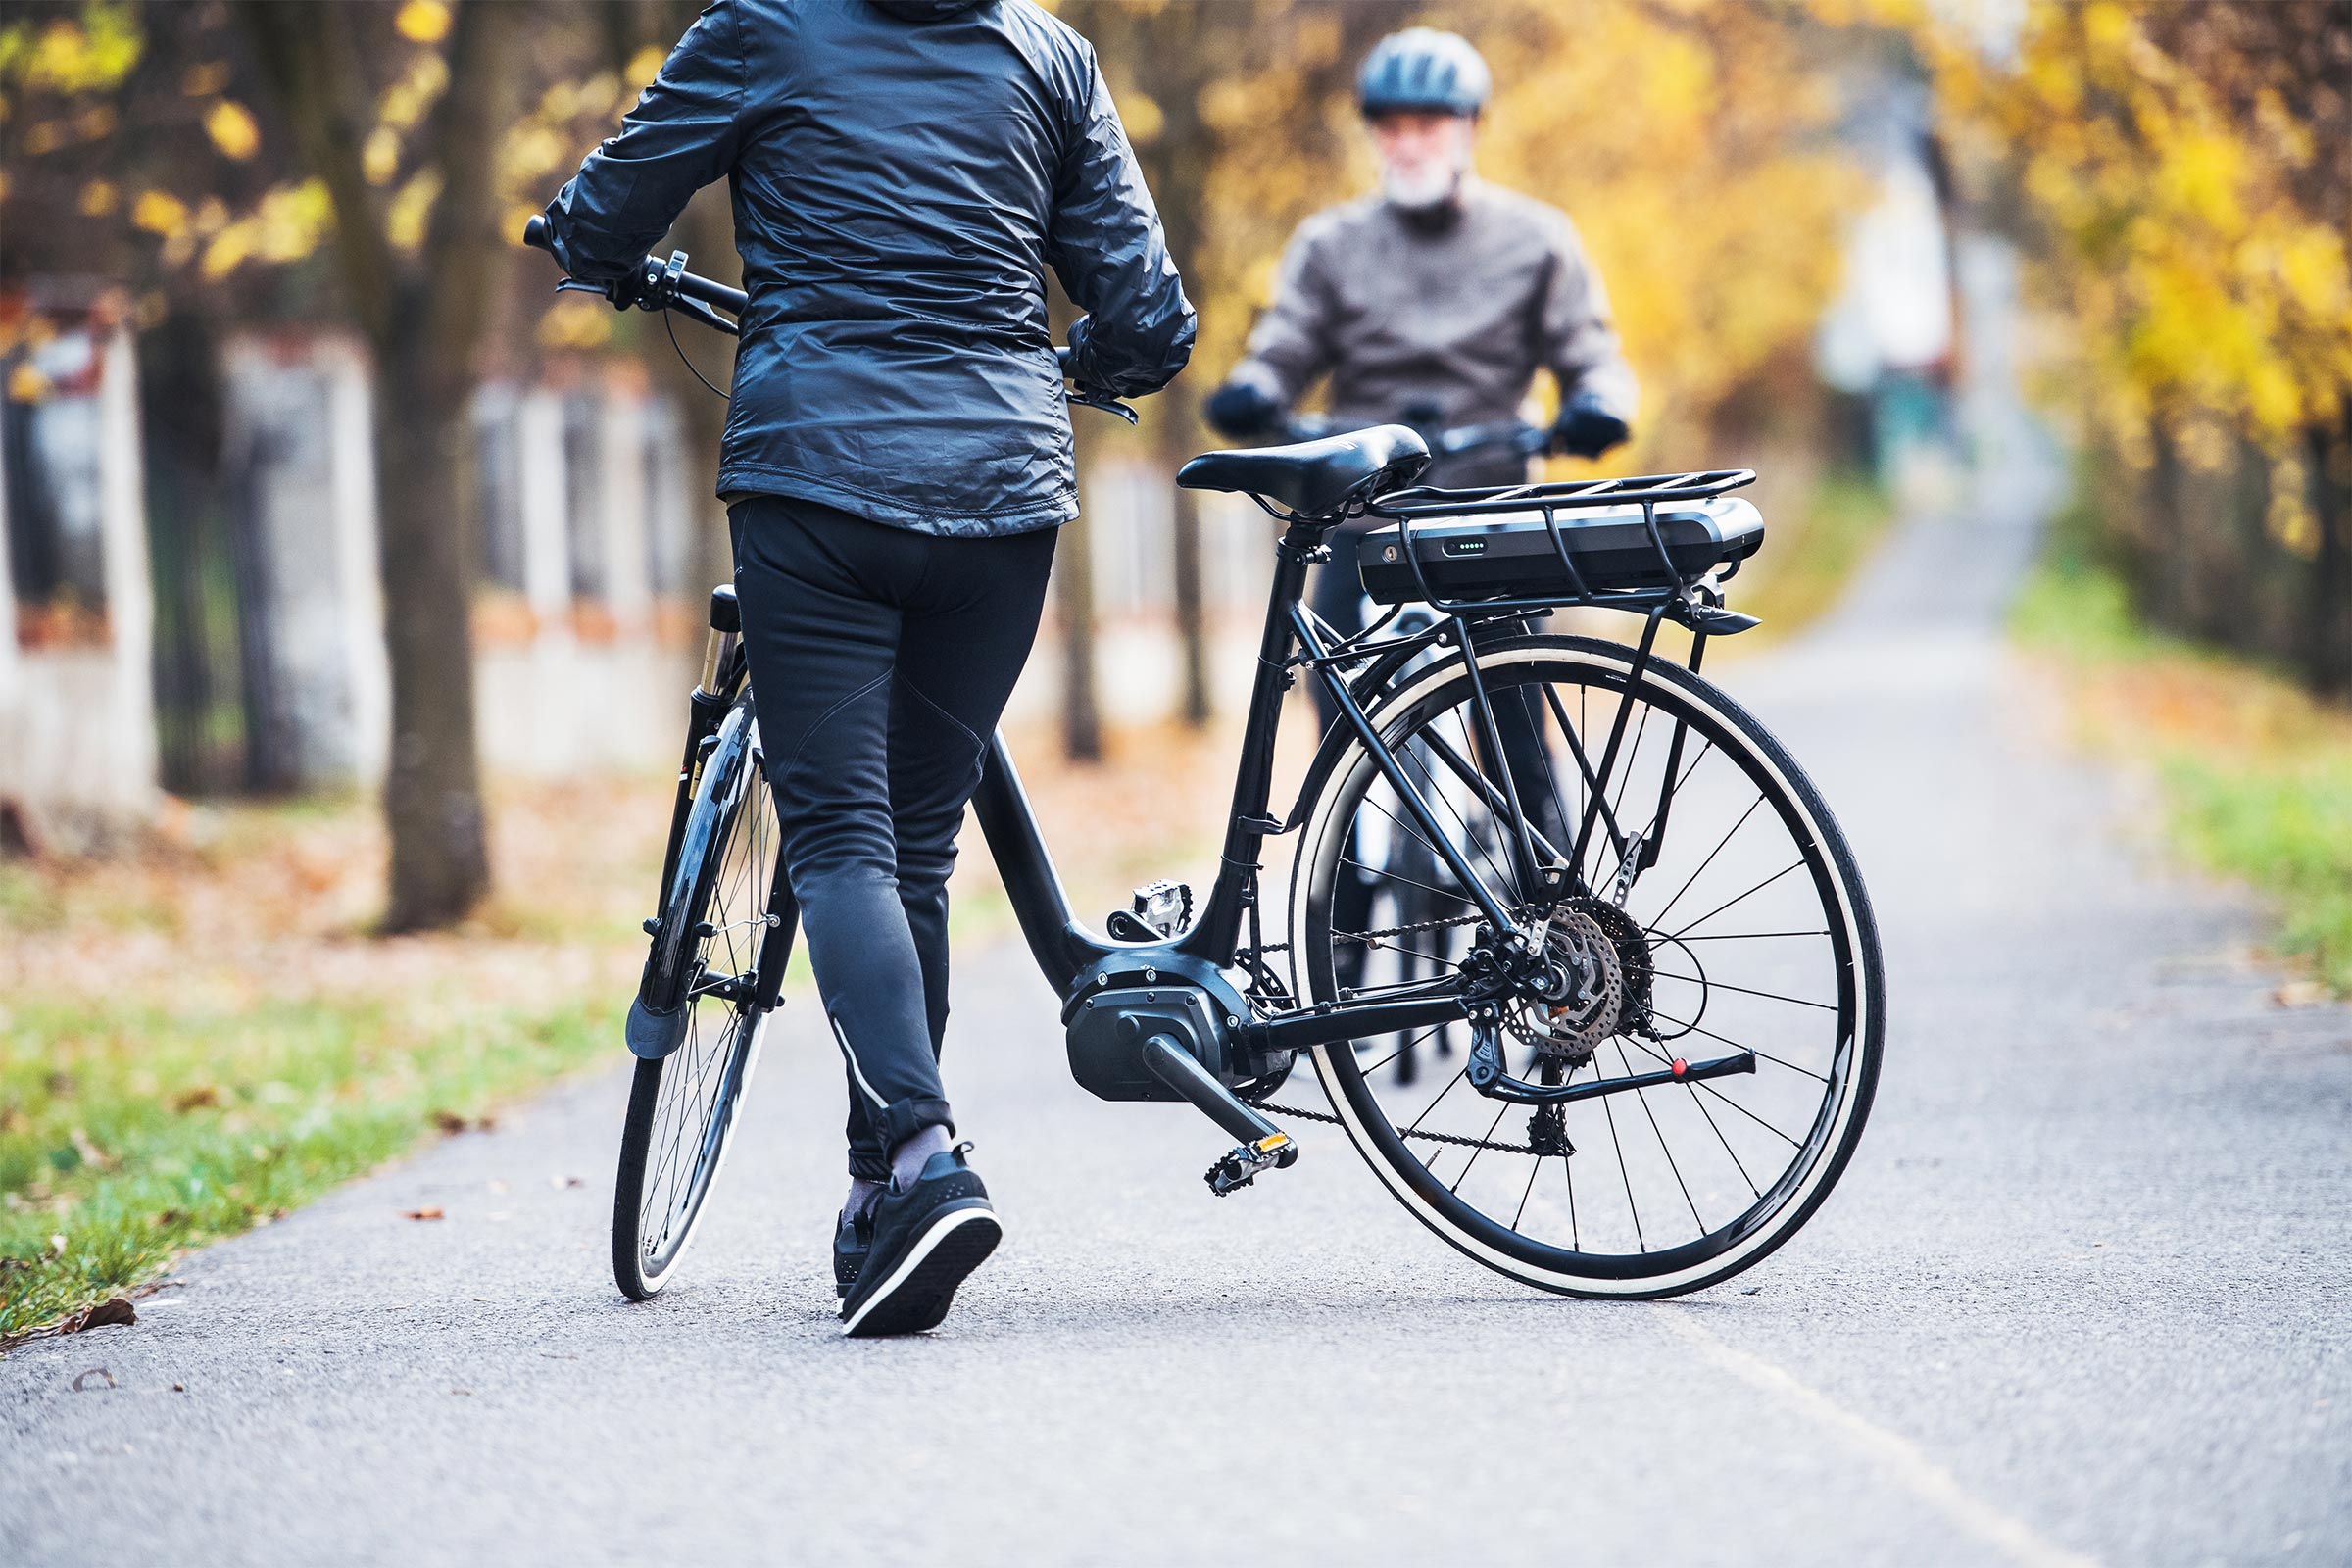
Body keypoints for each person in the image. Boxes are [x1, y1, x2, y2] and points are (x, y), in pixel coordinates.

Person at [539, 0, 1194, 1337]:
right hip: (1005, 496)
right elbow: (1145, 310)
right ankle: (878, 1198)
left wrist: (598, 256)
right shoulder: (1051, 56)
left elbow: (607, 208)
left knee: (836, 840)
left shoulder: (760, 31)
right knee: (915, 851)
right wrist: (1080, 365)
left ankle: (921, 1158)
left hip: (819, 486)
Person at [1204, 26, 1638, 643]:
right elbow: (1284, 346)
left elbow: (1592, 354)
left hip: (1496, 519)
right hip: (1364, 520)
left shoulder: (1539, 239)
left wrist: (1600, 405)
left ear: (1471, 128)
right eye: (1391, 127)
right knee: (1342, 722)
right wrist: (1253, 392)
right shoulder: (1329, 246)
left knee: (1516, 725)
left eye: (1428, 125)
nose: (1407, 145)